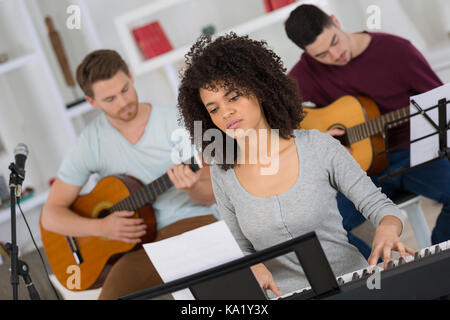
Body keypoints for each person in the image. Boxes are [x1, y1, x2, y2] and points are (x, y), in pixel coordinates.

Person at [176, 32, 414, 297]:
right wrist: (251, 265)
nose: (225, 113)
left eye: (233, 97)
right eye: (213, 108)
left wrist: (388, 227)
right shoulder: (224, 175)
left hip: (352, 285)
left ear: (260, 89)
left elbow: (380, 206)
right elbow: (240, 247)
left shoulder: (318, 147)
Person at [41, 49, 218, 300]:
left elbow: (212, 195)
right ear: (91, 102)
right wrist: (100, 226)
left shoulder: (178, 121)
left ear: (131, 77)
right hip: (136, 246)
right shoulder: (91, 141)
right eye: (110, 99)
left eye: (125, 90)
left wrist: (191, 187)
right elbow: (50, 215)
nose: (123, 103)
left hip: (190, 223)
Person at [285, 4, 450, 257]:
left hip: (413, 154)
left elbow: (441, 104)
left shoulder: (397, 50)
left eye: (335, 42)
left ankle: (435, 265)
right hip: (357, 172)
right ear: (306, 54)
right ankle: (386, 281)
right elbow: (273, 124)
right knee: (322, 230)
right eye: (322, 55)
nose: (335, 54)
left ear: (335, 20)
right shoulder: (302, 75)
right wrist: (311, 142)